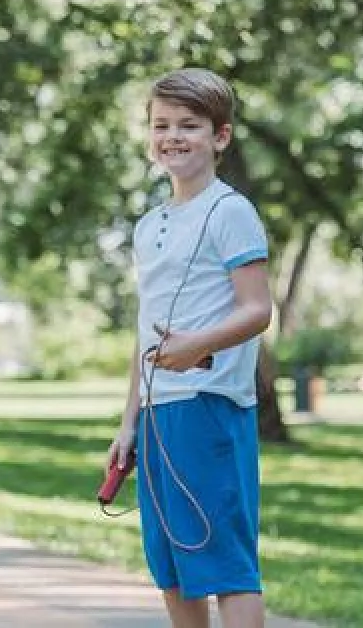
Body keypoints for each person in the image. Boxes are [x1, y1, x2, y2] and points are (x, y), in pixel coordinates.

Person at [106, 68, 273, 627]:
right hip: (158, 414)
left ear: (219, 136)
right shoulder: (149, 223)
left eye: (189, 125)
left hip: (208, 403)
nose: (173, 136)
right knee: (172, 567)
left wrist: (195, 346)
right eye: (161, 125)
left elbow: (257, 309)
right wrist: (128, 421)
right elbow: (145, 328)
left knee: (224, 563)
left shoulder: (230, 212)